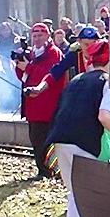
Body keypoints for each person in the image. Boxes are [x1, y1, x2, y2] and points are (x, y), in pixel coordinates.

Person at [46, 40, 110, 217]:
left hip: (60, 141)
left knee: (75, 192)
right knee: (90, 193)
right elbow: (104, 116)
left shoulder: (76, 80)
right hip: (84, 142)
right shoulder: (107, 83)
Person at [16, 23, 65, 179]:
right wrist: (19, 65)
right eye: (34, 36)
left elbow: (50, 75)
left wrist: (28, 67)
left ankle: (49, 171)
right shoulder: (32, 54)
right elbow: (24, 77)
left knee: (47, 140)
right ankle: (42, 170)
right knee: (36, 139)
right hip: (33, 106)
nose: (37, 39)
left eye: (40, 35)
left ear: (47, 36)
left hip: (48, 105)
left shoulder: (54, 53)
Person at [27, 26, 100, 95]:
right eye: (86, 44)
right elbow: (56, 71)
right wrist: (39, 88)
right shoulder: (75, 55)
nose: (90, 48)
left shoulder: (103, 54)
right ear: (79, 42)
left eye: (94, 44)